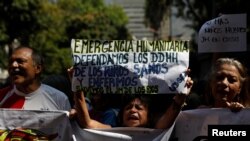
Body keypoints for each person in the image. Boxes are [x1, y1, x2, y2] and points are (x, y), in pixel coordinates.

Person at [68, 67, 193, 129]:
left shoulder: (156, 131)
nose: (133, 110)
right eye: (128, 107)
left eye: (139, 108)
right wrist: (77, 88)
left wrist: (181, 96)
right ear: (121, 116)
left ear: (149, 117)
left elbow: (171, 115)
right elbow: (88, 123)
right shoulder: (112, 131)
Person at [0, 46, 71, 111]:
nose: (13, 65)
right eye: (10, 62)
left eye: (20, 61)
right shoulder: (2, 96)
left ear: (38, 68)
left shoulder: (59, 99)